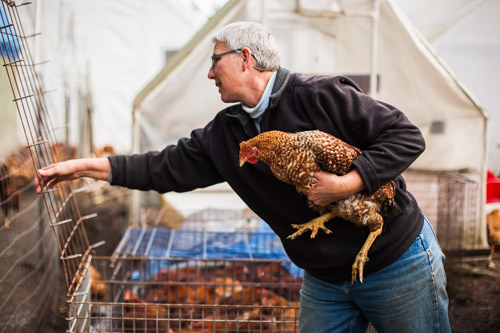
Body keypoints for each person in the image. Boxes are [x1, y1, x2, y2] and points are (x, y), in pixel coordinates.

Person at [35, 21, 451, 332]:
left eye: (215, 61)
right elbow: (163, 167)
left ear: (245, 59)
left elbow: (406, 135)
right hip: (324, 279)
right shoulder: (226, 133)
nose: (210, 73)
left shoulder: (319, 95)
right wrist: (85, 168)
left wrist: (347, 183)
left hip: (396, 262)